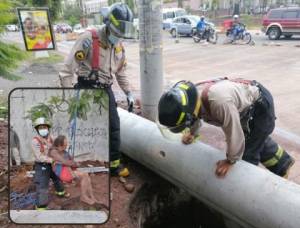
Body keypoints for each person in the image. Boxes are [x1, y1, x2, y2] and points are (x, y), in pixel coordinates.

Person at [157, 78, 295, 178]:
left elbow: (234, 133)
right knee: (255, 138)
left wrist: (231, 161)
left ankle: (253, 187)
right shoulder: (191, 97)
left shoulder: (219, 103)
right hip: (245, 105)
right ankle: (284, 162)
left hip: (260, 106)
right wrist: (192, 133)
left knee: (246, 155)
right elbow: (195, 115)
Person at [59, 2, 136, 178]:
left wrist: (129, 93)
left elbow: (121, 73)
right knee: (76, 127)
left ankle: (114, 166)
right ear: (108, 24)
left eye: (121, 34)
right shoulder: (89, 39)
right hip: (86, 88)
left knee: (114, 127)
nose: (119, 37)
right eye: (116, 33)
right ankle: (68, 164)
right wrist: (68, 95)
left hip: (104, 90)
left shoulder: (119, 47)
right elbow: (67, 70)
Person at [49, 135, 102, 206]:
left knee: (86, 176)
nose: (66, 146)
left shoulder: (63, 151)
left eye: (66, 144)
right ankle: (83, 197)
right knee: (84, 175)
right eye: (65, 145)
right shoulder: (54, 152)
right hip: (61, 172)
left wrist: (73, 162)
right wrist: (71, 162)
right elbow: (66, 162)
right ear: (59, 145)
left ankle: (92, 197)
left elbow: (71, 161)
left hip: (67, 169)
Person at [31, 117, 69, 210]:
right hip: (42, 166)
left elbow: (59, 146)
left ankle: (60, 193)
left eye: (44, 127)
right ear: (37, 129)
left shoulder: (52, 138)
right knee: (43, 185)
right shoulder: (35, 141)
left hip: (52, 164)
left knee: (57, 178)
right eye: (40, 128)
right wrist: (52, 160)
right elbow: (39, 157)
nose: (43, 129)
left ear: (48, 128)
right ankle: (41, 206)